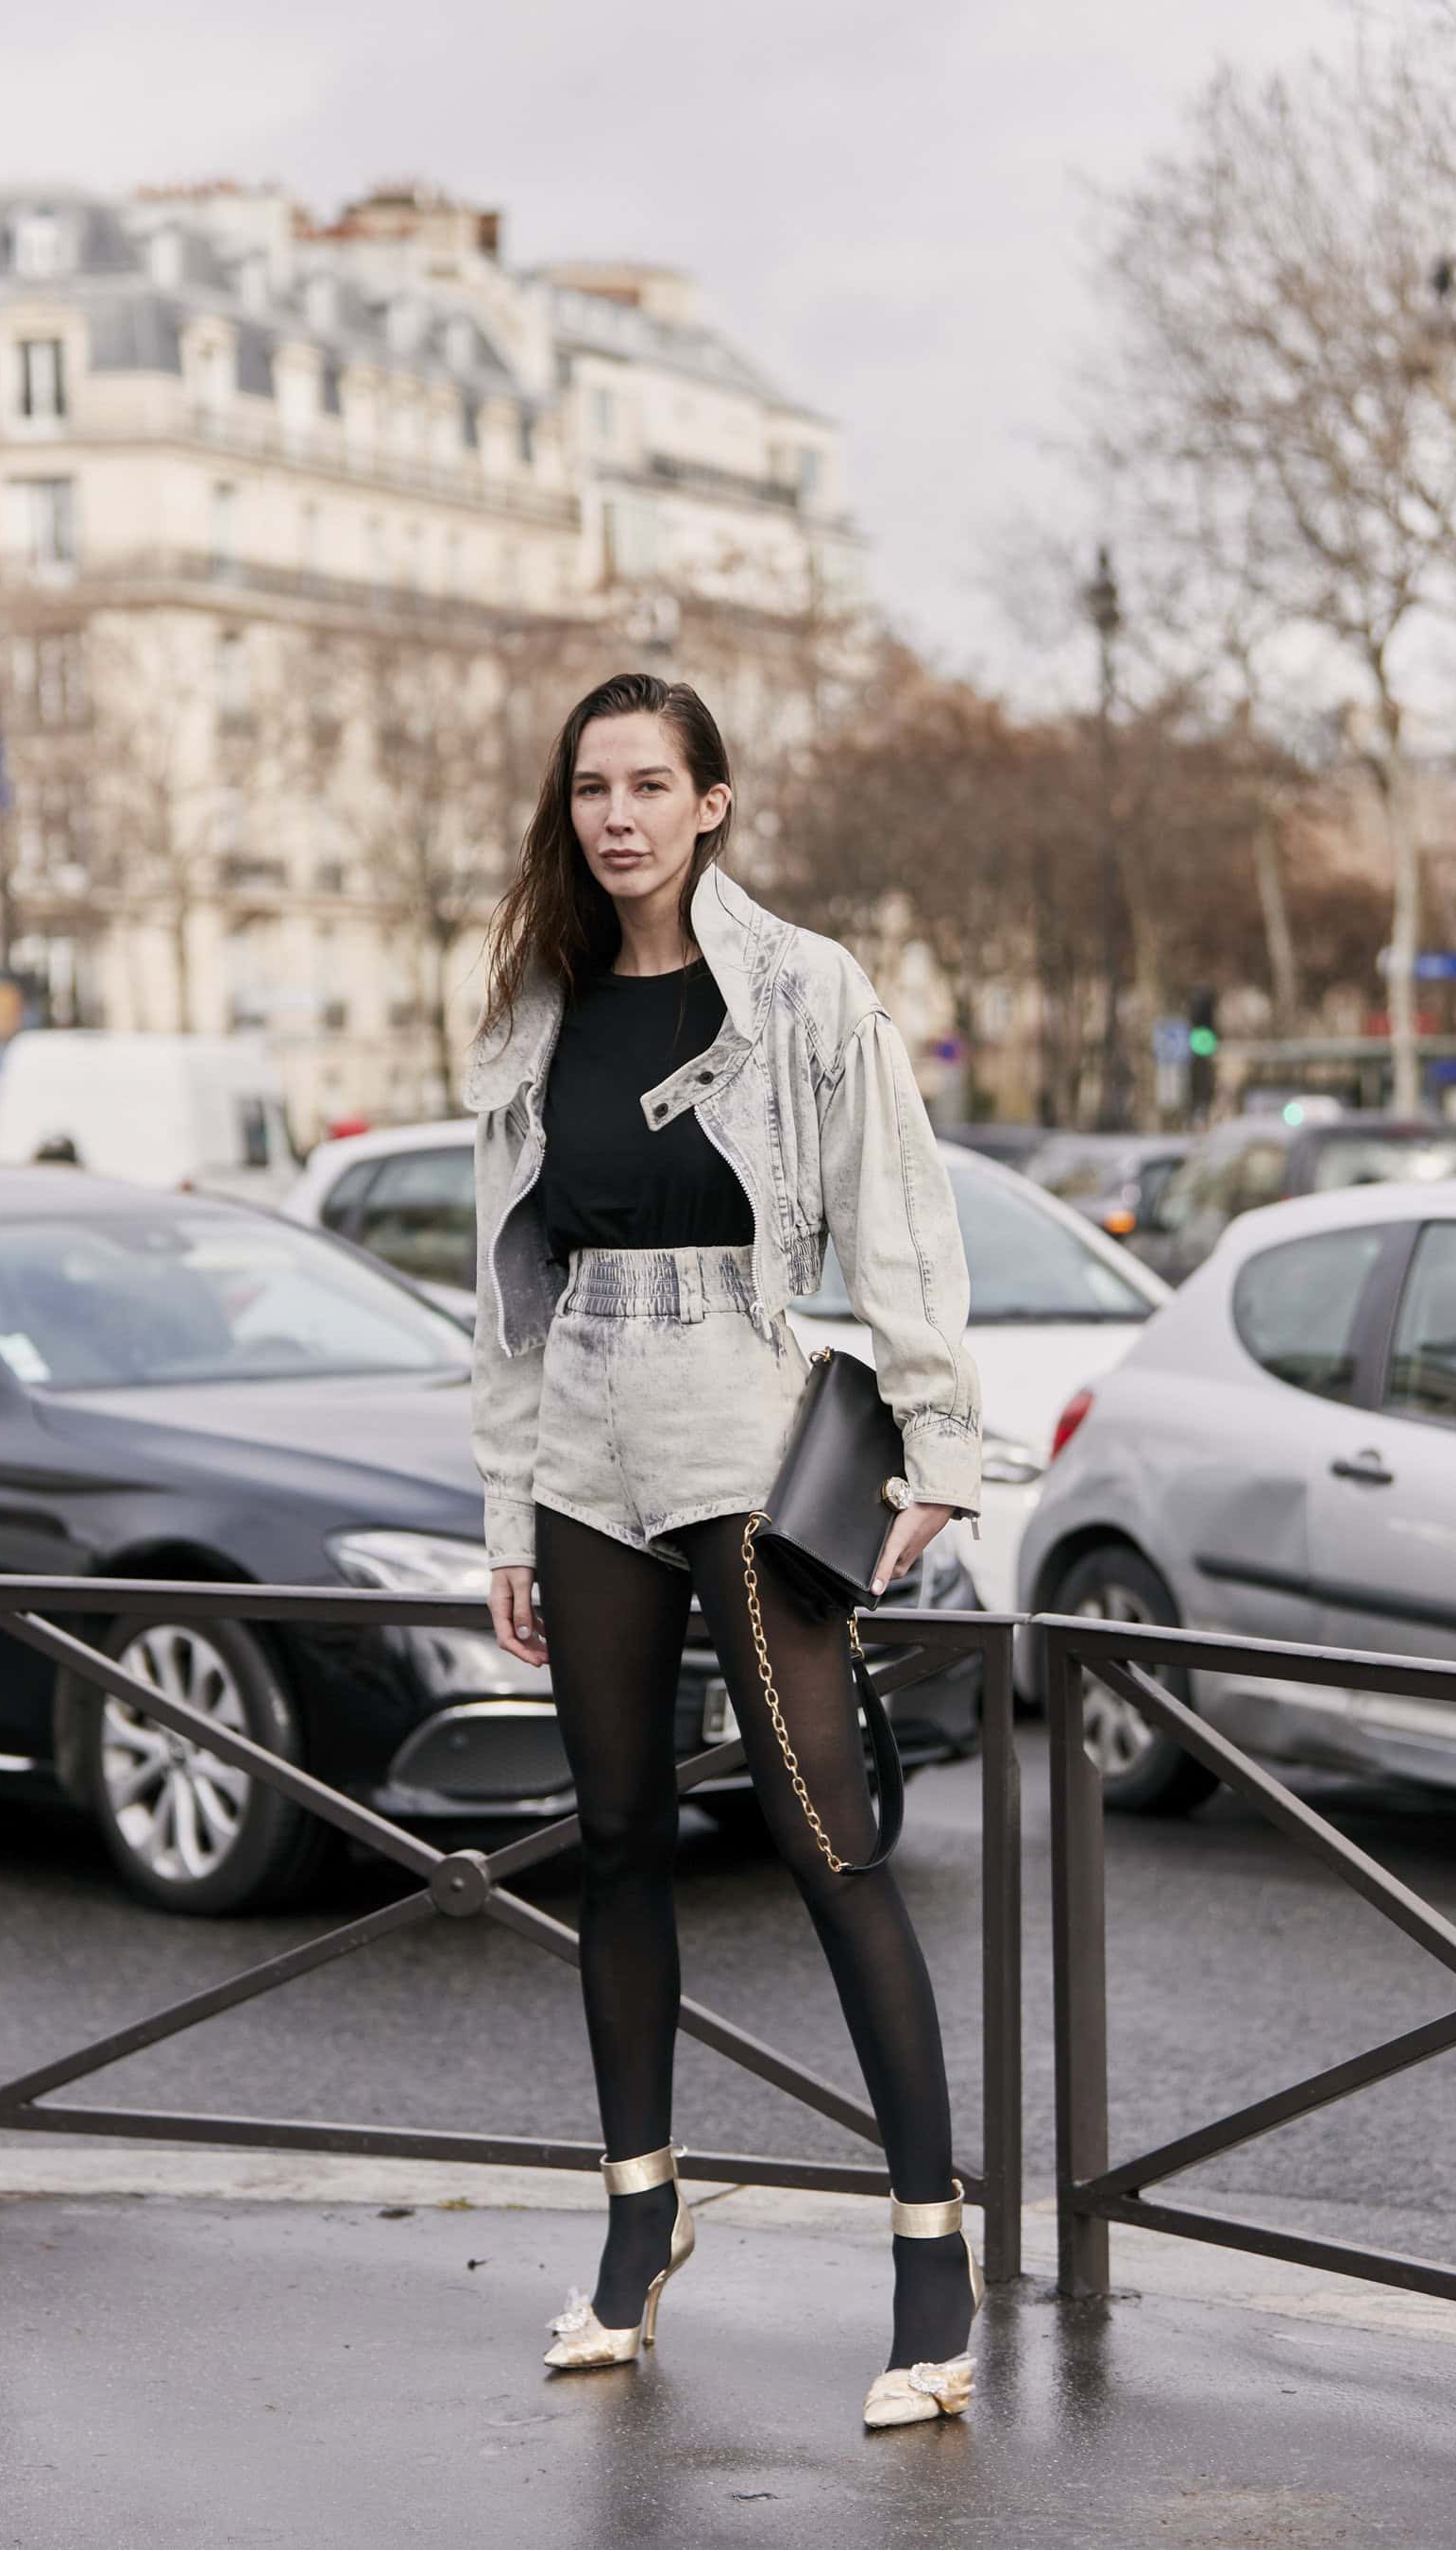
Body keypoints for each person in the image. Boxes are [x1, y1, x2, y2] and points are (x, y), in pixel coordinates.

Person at [465, 672, 985, 2429]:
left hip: (743, 1423)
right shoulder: (533, 1001)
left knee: (824, 1832)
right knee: (614, 1840)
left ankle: (932, 2252)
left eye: (649, 785)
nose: (617, 814)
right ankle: (637, 2227)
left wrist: (936, 1437)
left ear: (715, 804)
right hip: (583, 1435)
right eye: (591, 786)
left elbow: (905, 1210)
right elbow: (505, 1286)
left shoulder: (798, 989)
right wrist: (505, 1508)